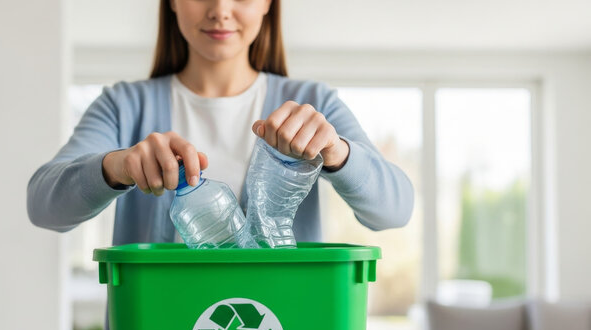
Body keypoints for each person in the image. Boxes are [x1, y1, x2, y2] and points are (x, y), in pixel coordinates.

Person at [28, 0, 413, 248]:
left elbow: (394, 210)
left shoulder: (315, 102)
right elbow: (43, 208)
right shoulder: (124, 106)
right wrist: (117, 166)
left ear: (268, 5)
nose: (220, 9)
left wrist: (337, 152)